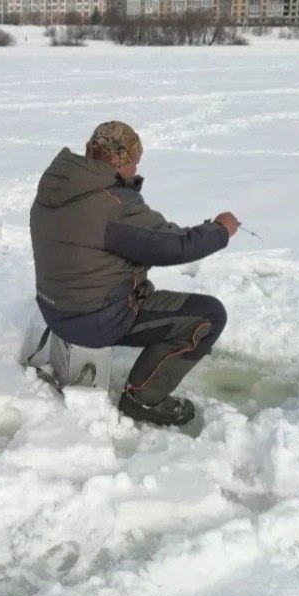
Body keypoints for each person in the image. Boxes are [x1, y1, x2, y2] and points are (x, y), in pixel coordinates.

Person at [29, 121, 237, 427]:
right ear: (121, 161)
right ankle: (142, 400)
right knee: (209, 316)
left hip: (55, 310)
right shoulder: (113, 205)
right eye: (135, 161)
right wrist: (220, 230)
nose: (137, 168)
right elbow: (174, 245)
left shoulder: (59, 185)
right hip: (96, 321)